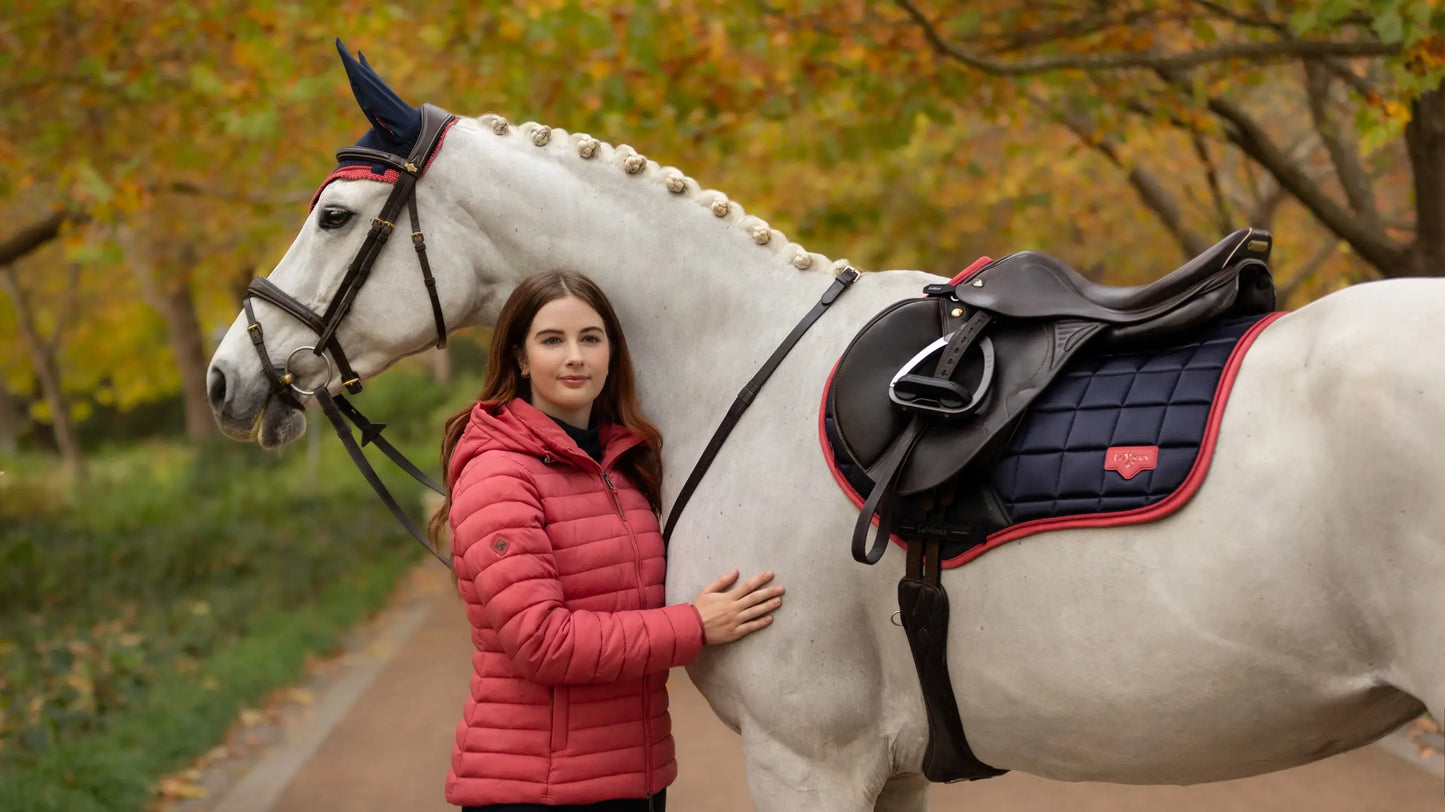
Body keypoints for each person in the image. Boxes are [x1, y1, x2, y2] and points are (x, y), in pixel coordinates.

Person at [428, 270, 785, 811]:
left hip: (634, 778)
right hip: (538, 789)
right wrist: (695, 625)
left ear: (612, 353)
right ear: (520, 358)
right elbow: (543, 643)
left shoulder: (624, 466)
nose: (575, 357)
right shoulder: (499, 475)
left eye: (590, 338)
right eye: (553, 340)